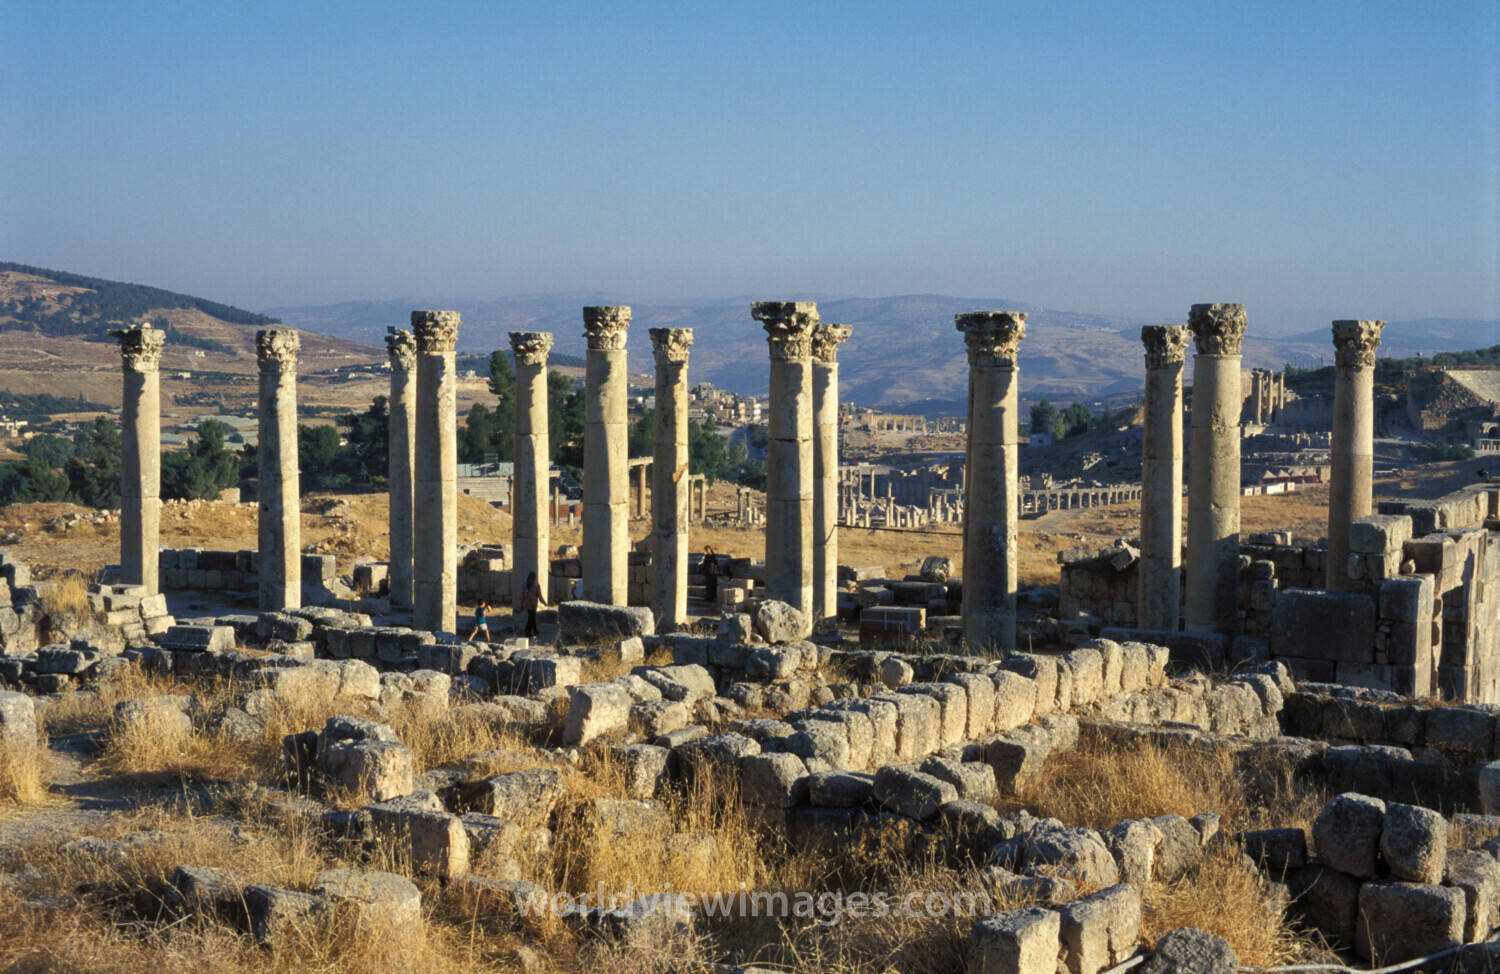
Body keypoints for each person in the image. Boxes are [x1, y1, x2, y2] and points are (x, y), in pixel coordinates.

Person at [519, 570, 546, 639]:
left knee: (532, 617)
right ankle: (527, 631)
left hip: (527, 605)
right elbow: (540, 595)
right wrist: (544, 602)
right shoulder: (536, 585)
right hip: (533, 604)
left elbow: (522, 596)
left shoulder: (525, 585)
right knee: (531, 618)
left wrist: (521, 605)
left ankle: (535, 630)